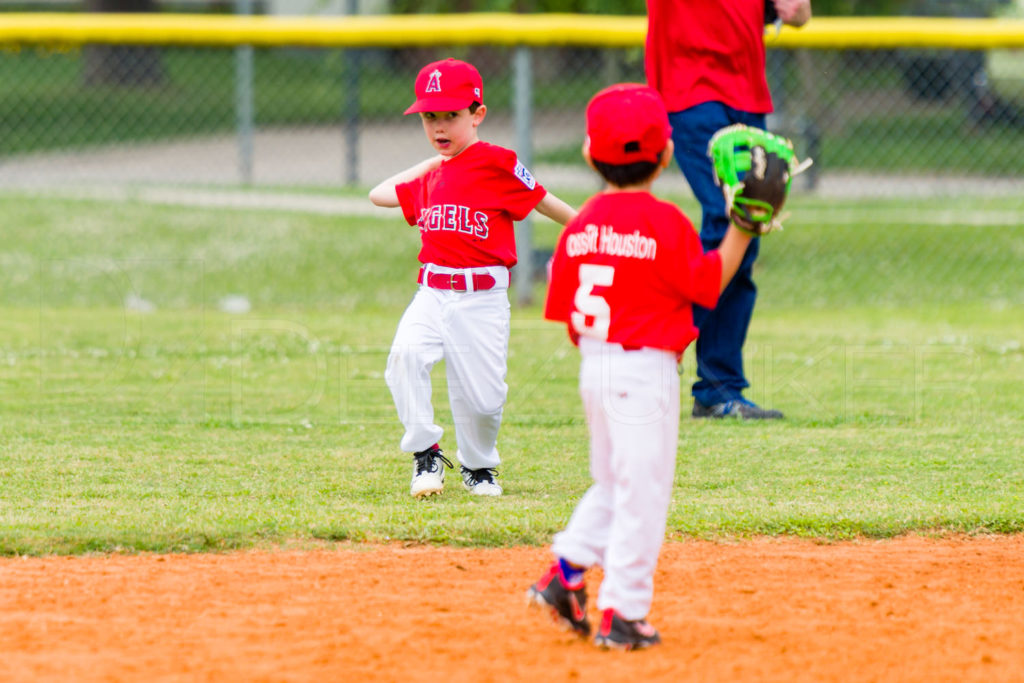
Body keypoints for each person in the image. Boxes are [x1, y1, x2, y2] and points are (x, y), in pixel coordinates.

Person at [526, 83, 763, 649]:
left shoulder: (581, 225)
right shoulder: (665, 223)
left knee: (614, 484)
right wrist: (744, 226)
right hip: (644, 370)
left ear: (588, 155)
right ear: (664, 156)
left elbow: (564, 309)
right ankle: (623, 613)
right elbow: (708, 285)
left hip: (596, 366)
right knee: (644, 495)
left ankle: (564, 575)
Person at [369, 58, 576, 499]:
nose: (440, 126)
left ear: (478, 114)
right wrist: (431, 162)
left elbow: (542, 200)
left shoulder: (498, 163)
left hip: (482, 298)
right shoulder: (433, 174)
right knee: (404, 358)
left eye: (451, 116)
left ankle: (478, 466)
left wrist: (589, 228)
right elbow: (378, 195)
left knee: (483, 399)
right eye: (430, 117)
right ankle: (426, 453)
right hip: (432, 292)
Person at [645, 0, 812, 419]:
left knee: (747, 226)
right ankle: (673, 352)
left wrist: (795, 8)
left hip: (747, 91)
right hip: (689, 88)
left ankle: (715, 384)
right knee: (730, 217)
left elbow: (797, 13)